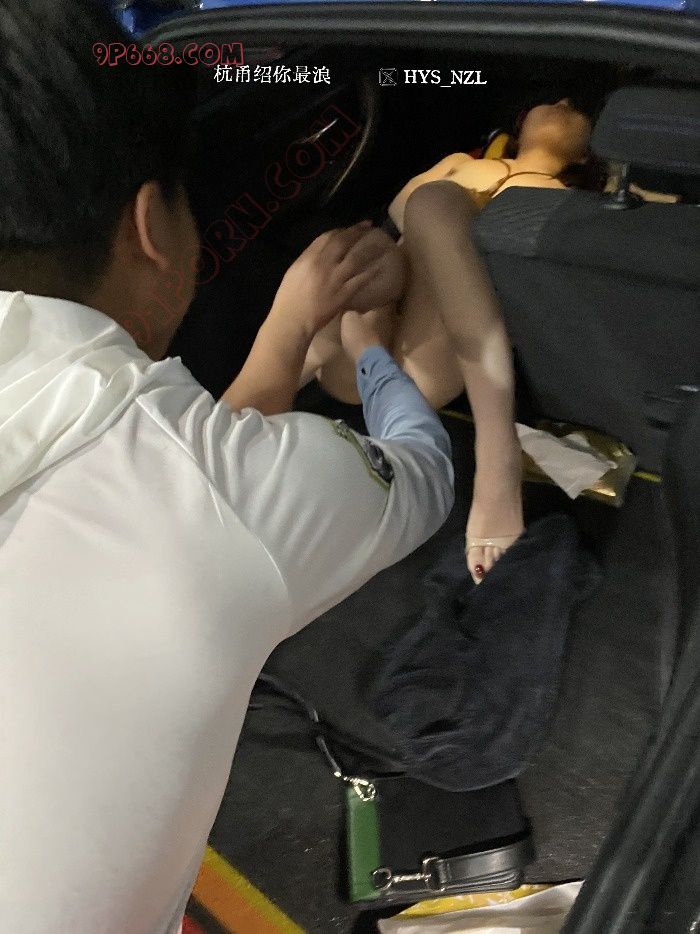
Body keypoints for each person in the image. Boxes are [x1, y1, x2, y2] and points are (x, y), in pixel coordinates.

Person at [0, 2, 454, 931]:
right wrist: (369, 353)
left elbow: (186, 479)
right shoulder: (202, 501)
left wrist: (288, 330)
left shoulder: (170, 483)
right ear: (151, 225)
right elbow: (421, 469)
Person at [302, 99, 594, 583]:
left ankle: (496, 461)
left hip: (422, 369)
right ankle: (254, 402)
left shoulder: (571, 202)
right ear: (519, 123)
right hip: (356, 346)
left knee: (433, 203)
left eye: (577, 105)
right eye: (553, 99)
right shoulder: (460, 161)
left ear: (586, 155)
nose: (562, 102)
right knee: (383, 237)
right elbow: (397, 213)